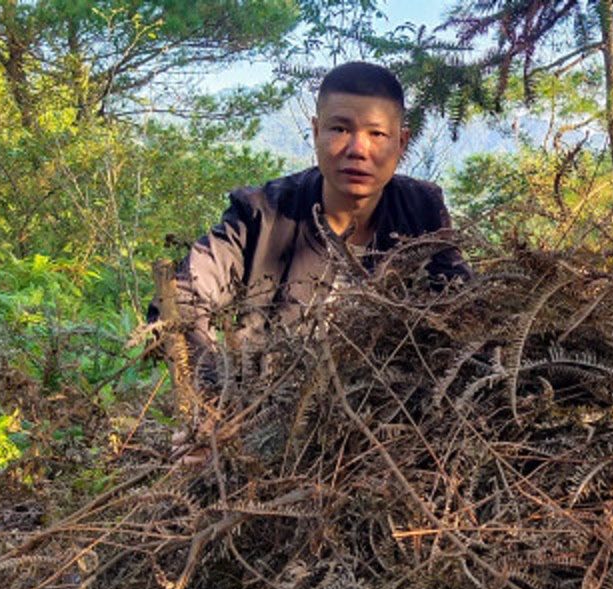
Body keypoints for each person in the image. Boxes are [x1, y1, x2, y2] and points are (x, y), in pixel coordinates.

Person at [149, 61, 469, 394]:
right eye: (340, 129)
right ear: (316, 132)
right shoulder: (262, 215)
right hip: (267, 422)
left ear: (402, 143)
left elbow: (466, 311)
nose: (358, 150)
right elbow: (181, 297)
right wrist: (213, 396)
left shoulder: (421, 212)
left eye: (377, 134)